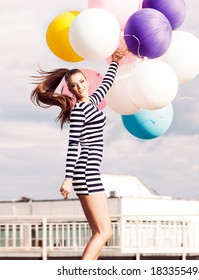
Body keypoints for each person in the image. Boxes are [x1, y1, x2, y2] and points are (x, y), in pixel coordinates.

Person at [30, 49, 126, 260]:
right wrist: (68, 179)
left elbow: (106, 84)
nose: (79, 86)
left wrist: (116, 61)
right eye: (74, 85)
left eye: (82, 82)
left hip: (90, 172)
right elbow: (74, 144)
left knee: (100, 232)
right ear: (70, 89)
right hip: (85, 173)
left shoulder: (91, 102)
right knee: (104, 232)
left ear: (86, 81)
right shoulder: (79, 110)